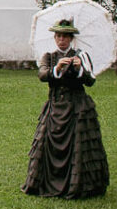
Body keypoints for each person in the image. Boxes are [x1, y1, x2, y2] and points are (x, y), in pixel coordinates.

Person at [22, 18, 109, 199]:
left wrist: (79, 70)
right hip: (55, 107)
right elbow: (43, 75)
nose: (62, 40)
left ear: (71, 39)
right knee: (48, 142)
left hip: (77, 107)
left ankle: (79, 184)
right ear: (54, 38)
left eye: (65, 37)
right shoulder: (48, 56)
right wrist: (56, 68)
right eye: (59, 36)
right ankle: (47, 182)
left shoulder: (81, 56)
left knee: (79, 144)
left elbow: (90, 81)